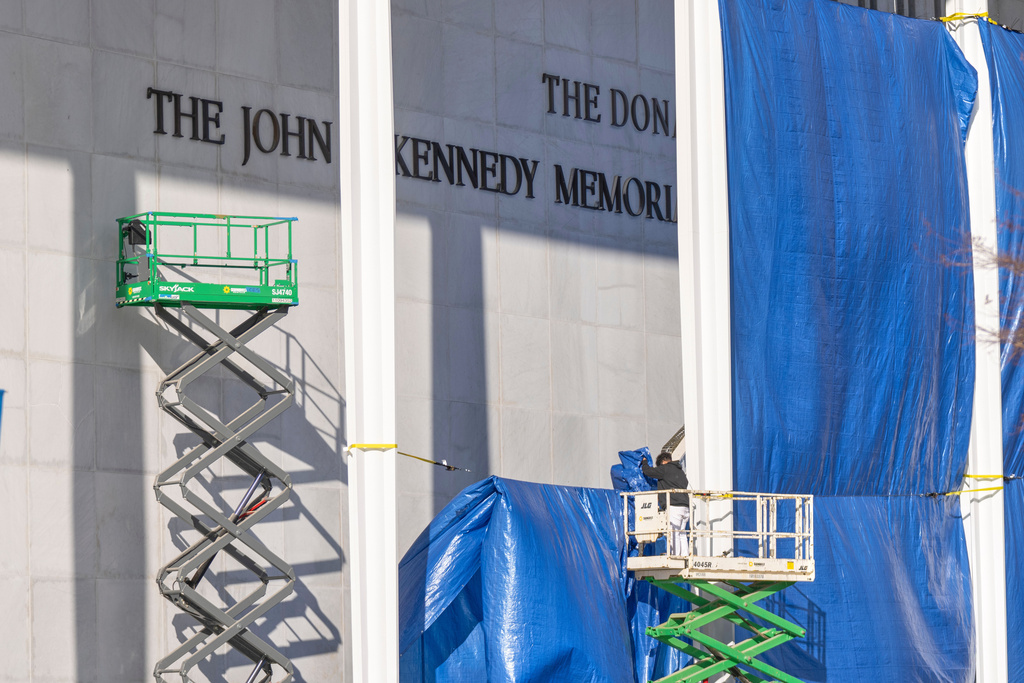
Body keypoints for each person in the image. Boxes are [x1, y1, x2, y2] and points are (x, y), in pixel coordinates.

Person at [641, 452, 690, 556]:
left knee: (673, 533)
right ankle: (685, 556)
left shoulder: (665, 468)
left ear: (662, 462)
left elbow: (648, 471)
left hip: (674, 506)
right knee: (682, 533)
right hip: (685, 506)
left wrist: (644, 462)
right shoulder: (681, 472)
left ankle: (675, 556)